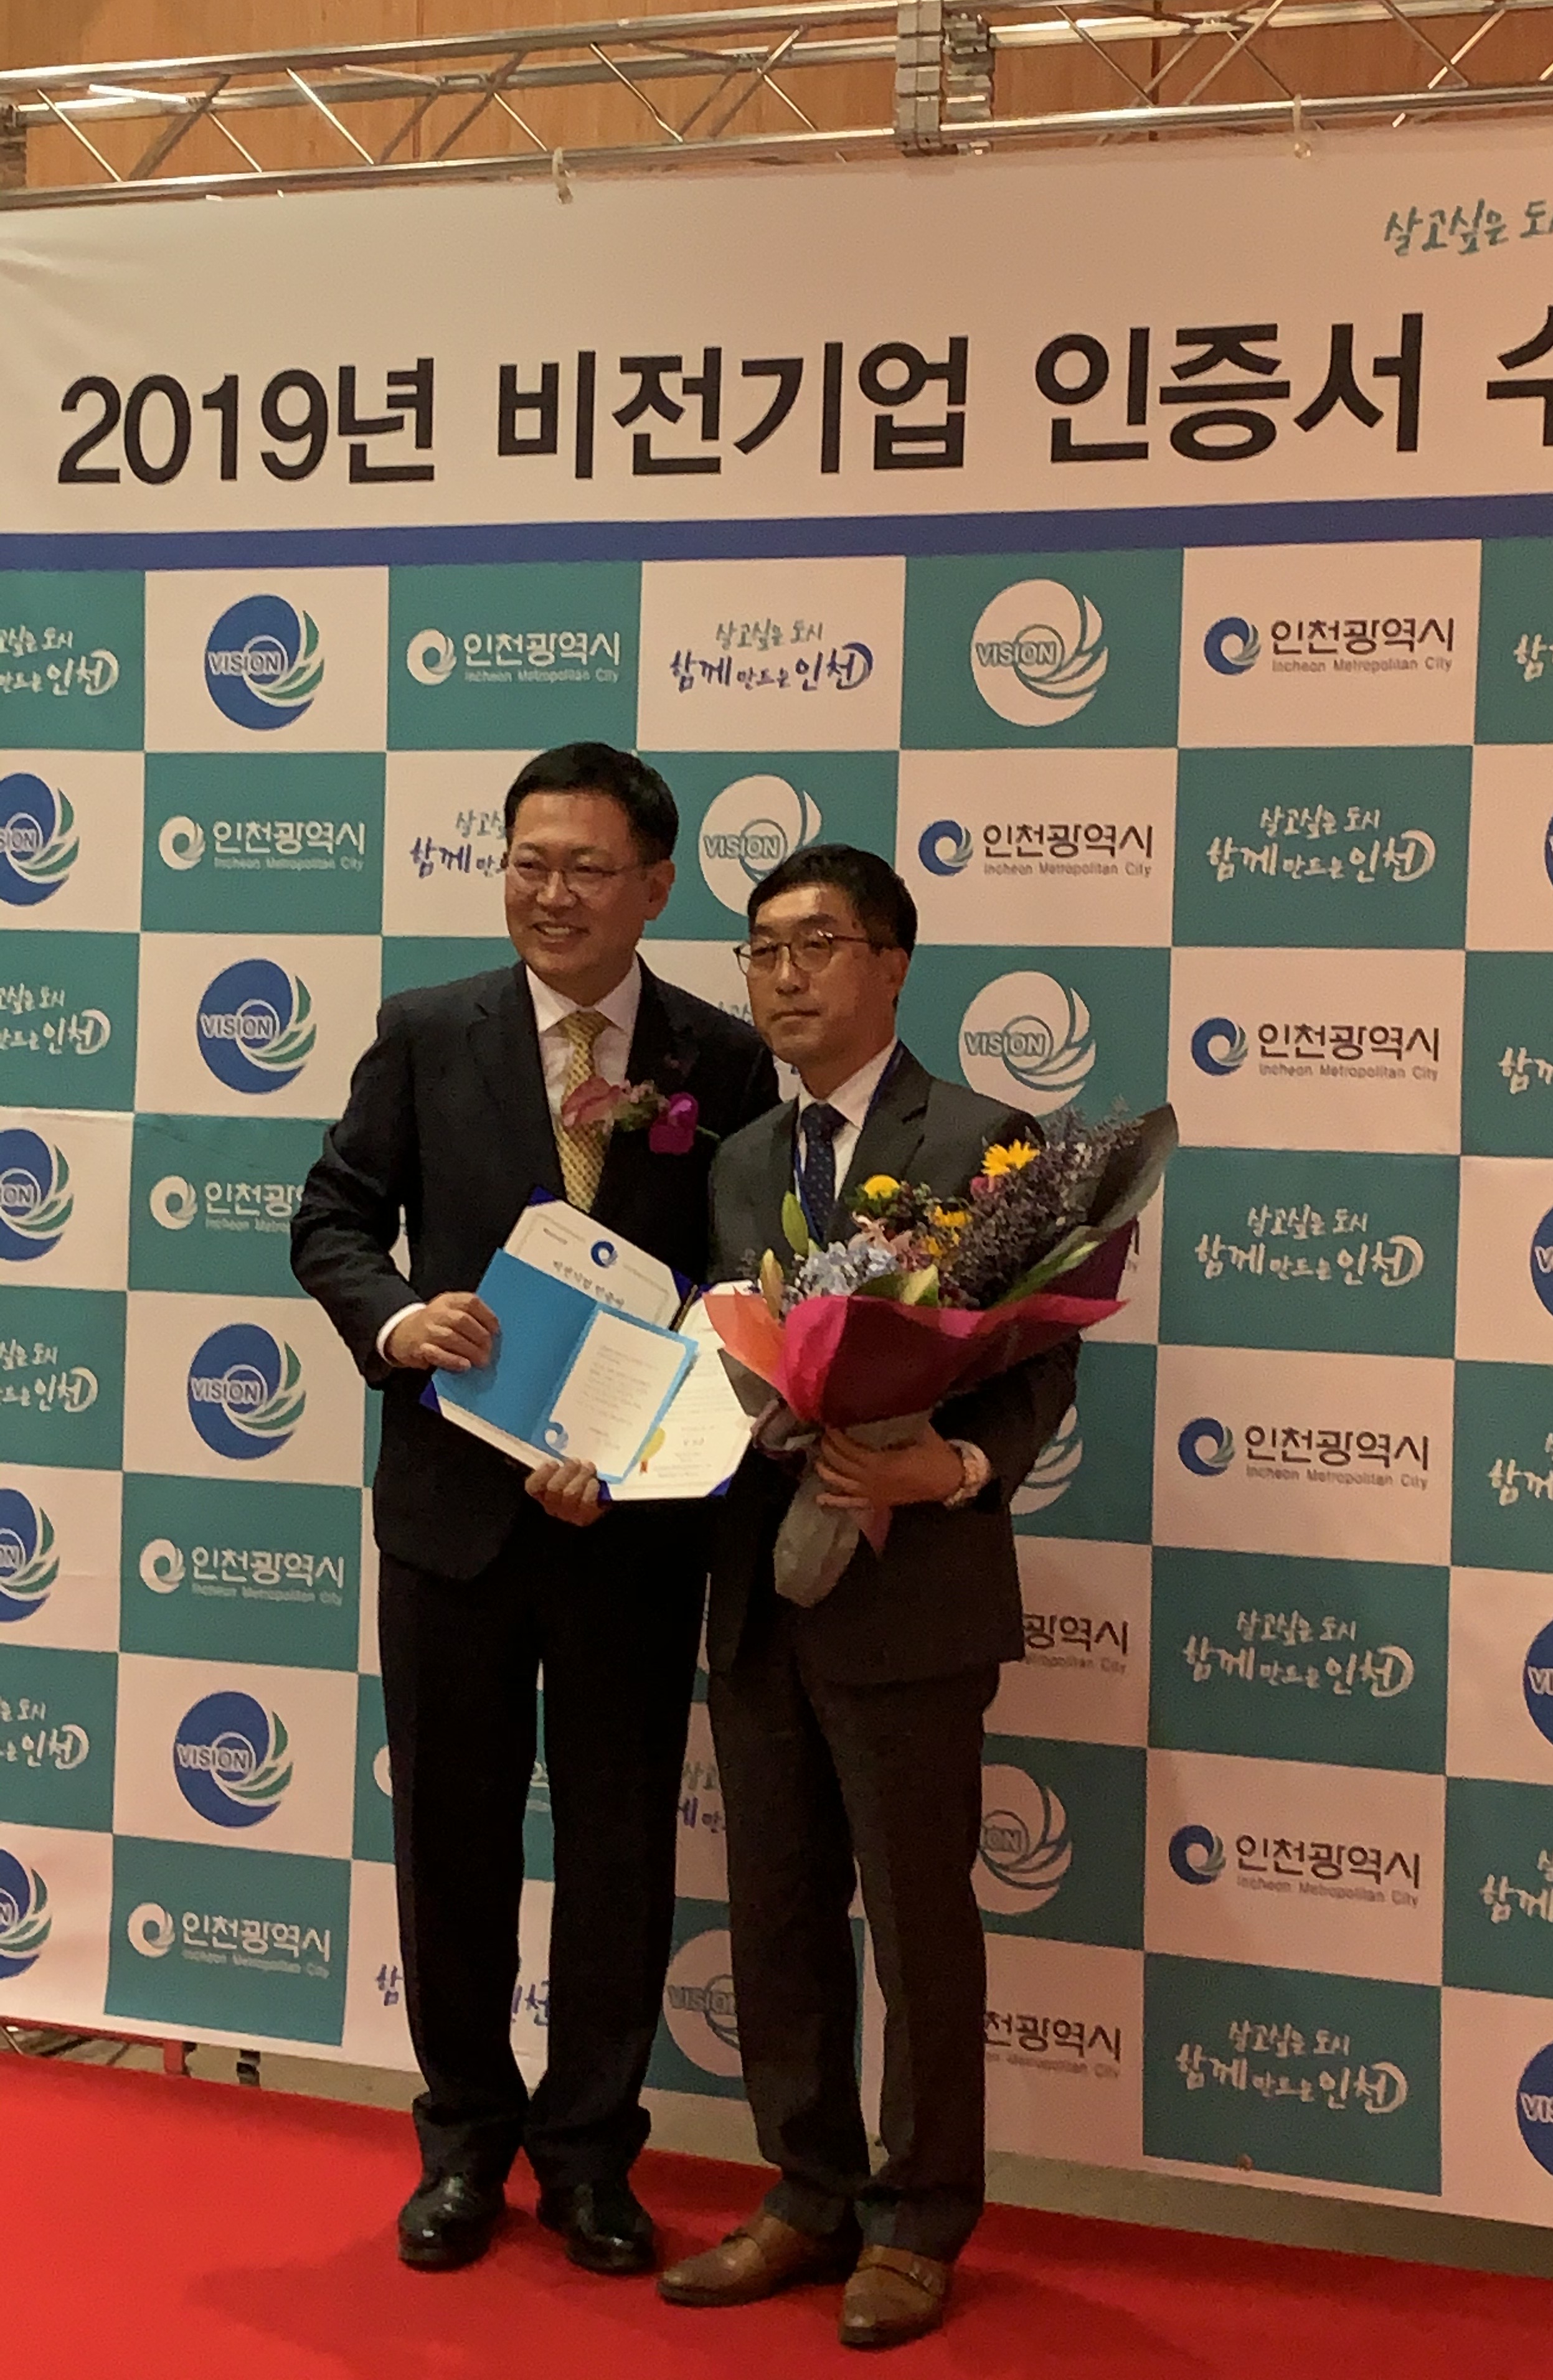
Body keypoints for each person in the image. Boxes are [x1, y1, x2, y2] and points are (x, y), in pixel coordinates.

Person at [291, 741, 777, 2276]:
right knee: (452, 1838)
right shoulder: (428, 1031)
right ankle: (460, 2146)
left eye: (584, 867)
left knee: (623, 1845)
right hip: (453, 1516)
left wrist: (636, 1453)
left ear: (656, 885)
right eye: (526, 862)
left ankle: (589, 2158)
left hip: (629, 1529)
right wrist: (397, 1321)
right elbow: (333, 1216)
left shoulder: (721, 1059)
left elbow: (741, 1294)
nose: (549, 893)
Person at [658, 843, 1078, 2351]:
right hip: (761, 1596)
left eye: (817, 944)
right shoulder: (739, 1161)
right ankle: (809, 2193)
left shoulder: (983, 1138)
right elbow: (727, 1352)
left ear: (892, 964)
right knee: (773, 1917)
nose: (783, 976)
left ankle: (918, 2221)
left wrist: (943, 1467)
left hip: (911, 1601)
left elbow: (1037, 1357)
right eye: (761, 949)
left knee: (916, 1927)